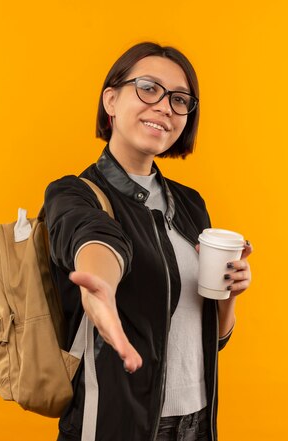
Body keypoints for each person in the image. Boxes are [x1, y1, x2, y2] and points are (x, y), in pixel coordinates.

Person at [43, 42, 253, 441]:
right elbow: (95, 239)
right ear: (111, 99)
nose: (164, 107)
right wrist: (100, 286)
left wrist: (230, 294)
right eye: (147, 88)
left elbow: (213, 339)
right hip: (118, 422)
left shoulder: (191, 204)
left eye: (179, 99)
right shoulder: (74, 193)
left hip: (197, 420)